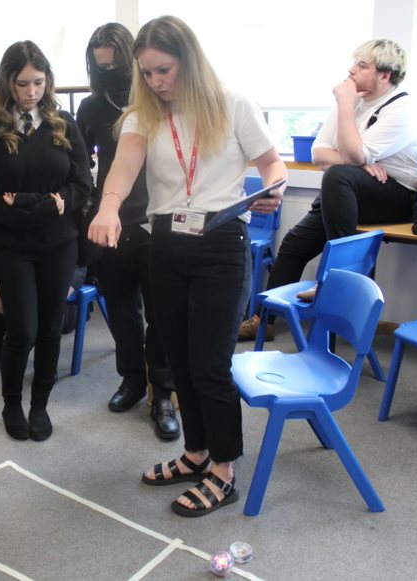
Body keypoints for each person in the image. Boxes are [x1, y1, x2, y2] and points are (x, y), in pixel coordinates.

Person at [88, 15, 287, 517]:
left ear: (189, 60)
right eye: (148, 73)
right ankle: (197, 453)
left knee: (209, 365)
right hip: (166, 244)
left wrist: (277, 186)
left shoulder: (232, 104)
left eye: (165, 70)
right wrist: (109, 206)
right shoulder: (143, 115)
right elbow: (123, 167)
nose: (157, 82)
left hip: (220, 242)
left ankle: (224, 471)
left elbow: (272, 164)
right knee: (178, 360)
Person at [239, 38, 417, 341]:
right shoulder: (353, 101)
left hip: (399, 195)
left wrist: (352, 151)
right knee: (294, 245)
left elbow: (349, 158)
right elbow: (318, 153)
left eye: (362, 65)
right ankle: (264, 320)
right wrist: (358, 163)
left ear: (385, 75)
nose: (352, 70)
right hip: (354, 189)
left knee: (339, 176)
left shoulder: (402, 108)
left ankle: (339, 279)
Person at [0, 41, 92, 442]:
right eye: (22, 83)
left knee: (50, 329)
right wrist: (26, 212)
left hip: (59, 242)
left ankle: (40, 403)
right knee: (21, 329)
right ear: (8, 82)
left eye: (38, 82)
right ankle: (11, 403)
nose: (31, 92)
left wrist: (49, 206)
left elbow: (82, 184)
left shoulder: (63, 123)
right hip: (11, 244)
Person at [76, 22, 179, 441]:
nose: (109, 73)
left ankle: (164, 393)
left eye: (116, 65)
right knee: (121, 309)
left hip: (157, 222)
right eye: (100, 68)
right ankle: (133, 379)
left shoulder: (160, 101)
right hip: (112, 222)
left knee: (161, 313)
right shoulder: (91, 109)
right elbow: (81, 170)